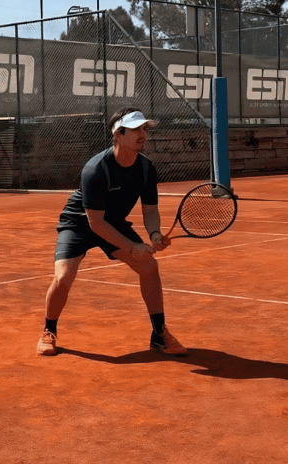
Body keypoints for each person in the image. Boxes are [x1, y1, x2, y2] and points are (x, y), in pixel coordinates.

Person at [36, 108, 188, 357]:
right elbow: (95, 224)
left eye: (144, 129)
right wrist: (131, 247)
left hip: (113, 222)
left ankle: (159, 335)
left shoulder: (147, 169)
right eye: (137, 129)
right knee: (64, 277)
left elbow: (150, 210)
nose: (143, 135)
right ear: (119, 134)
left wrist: (154, 235)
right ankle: (48, 330)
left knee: (149, 267)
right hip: (79, 224)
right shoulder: (95, 169)